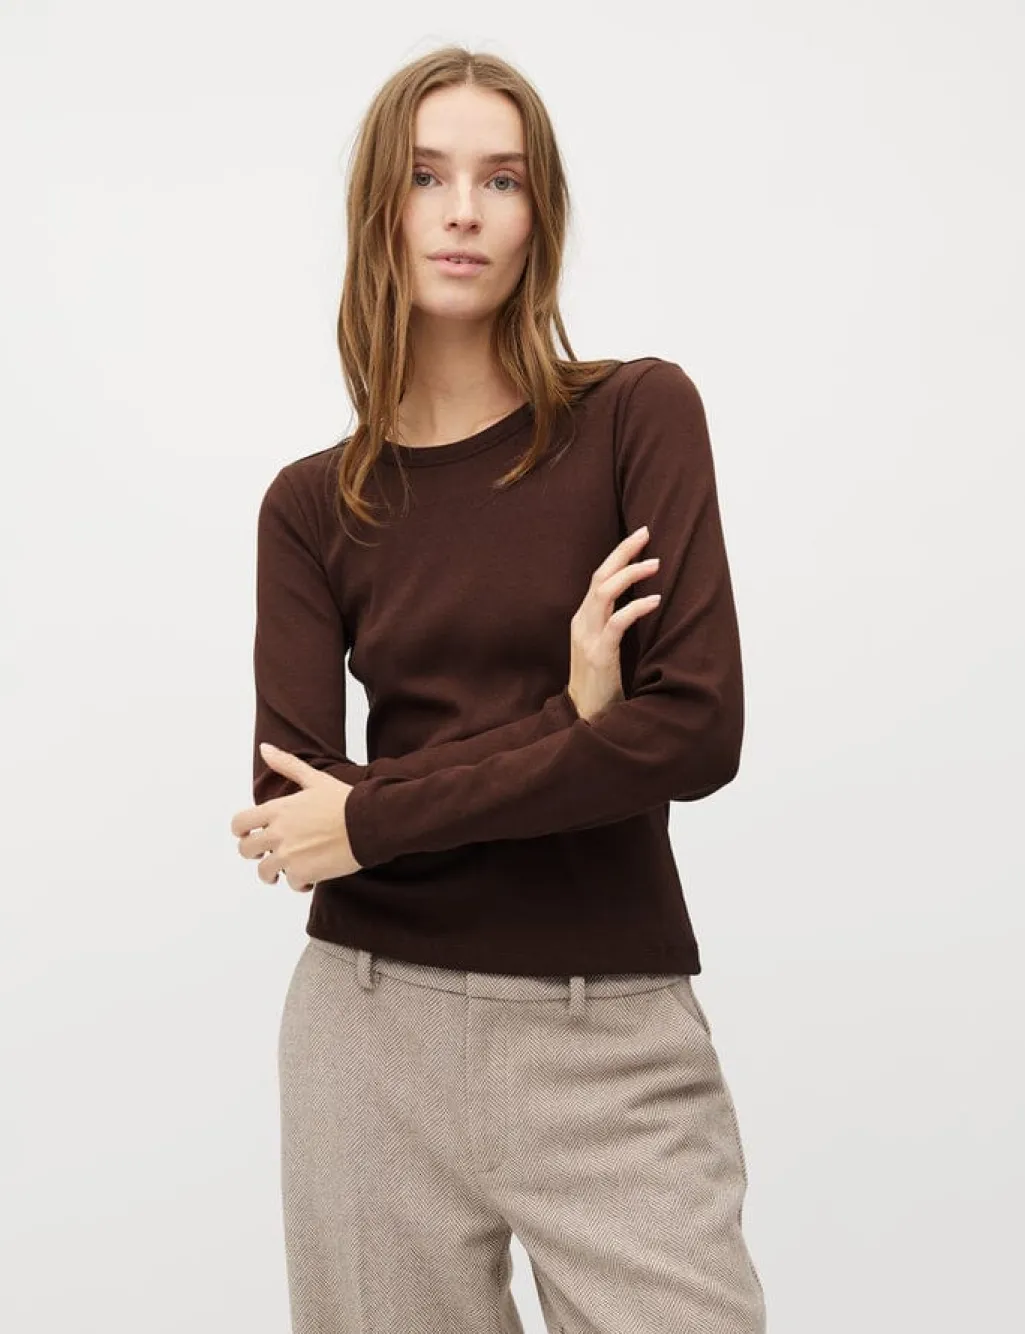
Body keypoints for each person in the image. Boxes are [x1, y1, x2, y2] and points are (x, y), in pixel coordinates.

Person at [230, 44, 767, 1334]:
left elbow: (697, 731)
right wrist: (574, 724)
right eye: (427, 176)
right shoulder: (312, 506)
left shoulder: (638, 416)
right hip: (368, 1041)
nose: (463, 210)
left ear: (541, 214)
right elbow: (296, 819)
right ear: (380, 205)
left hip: (610, 1040)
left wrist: (372, 816)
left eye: (502, 179)